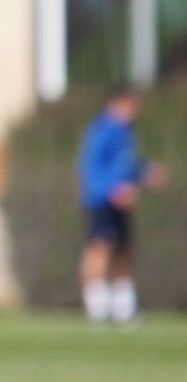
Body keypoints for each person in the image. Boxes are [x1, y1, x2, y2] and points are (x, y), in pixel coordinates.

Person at [76, 86, 168, 324]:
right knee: (101, 246)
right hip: (101, 200)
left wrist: (146, 172)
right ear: (121, 102)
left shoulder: (126, 130)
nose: (137, 111)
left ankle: (123, 307)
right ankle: (97, 307)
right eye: (134, 105)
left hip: (121, 202)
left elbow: (125, 166)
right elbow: (91, 166)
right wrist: (113, 189)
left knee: (124, 250)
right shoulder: (102, 128)